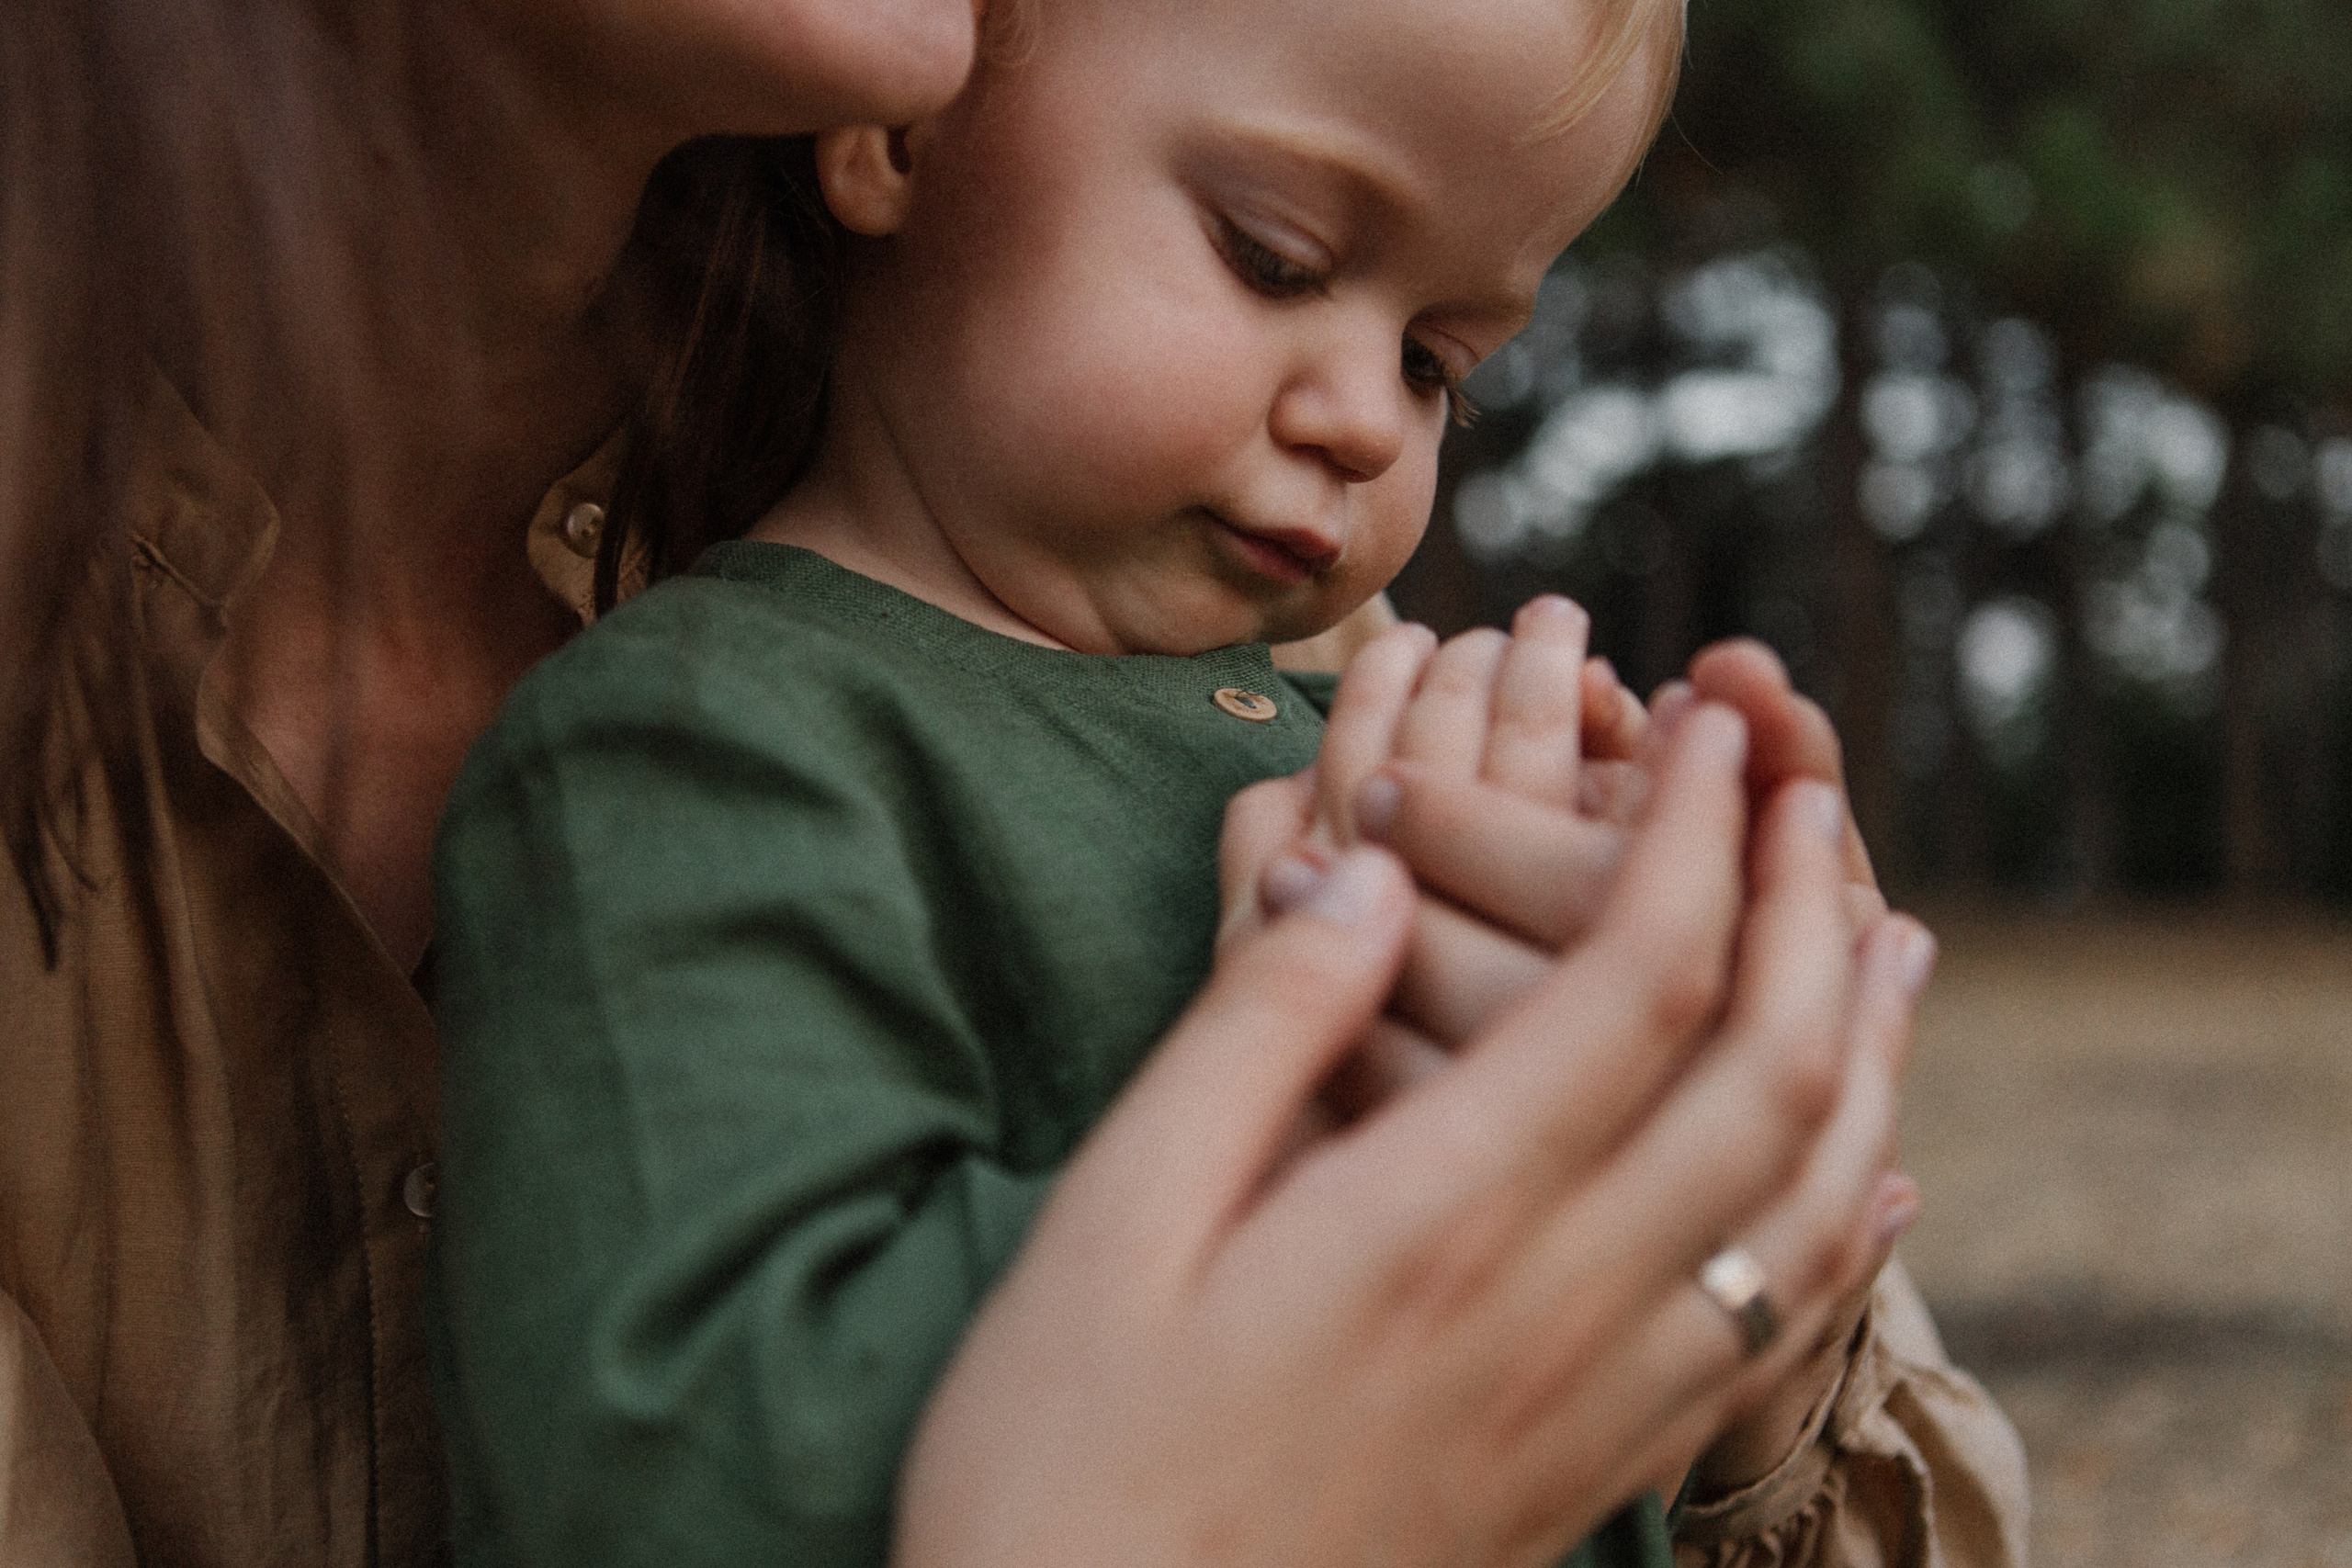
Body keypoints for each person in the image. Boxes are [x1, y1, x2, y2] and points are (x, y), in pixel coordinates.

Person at [424, 0, 2025, 1564]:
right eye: (1275, 258)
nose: (1361, 426)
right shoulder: (697, 746)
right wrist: (1367, 1138)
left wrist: (1683, 1079)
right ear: (902, 133)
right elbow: (674, 1473)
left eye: (1435, 363)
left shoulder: (1350, 740)